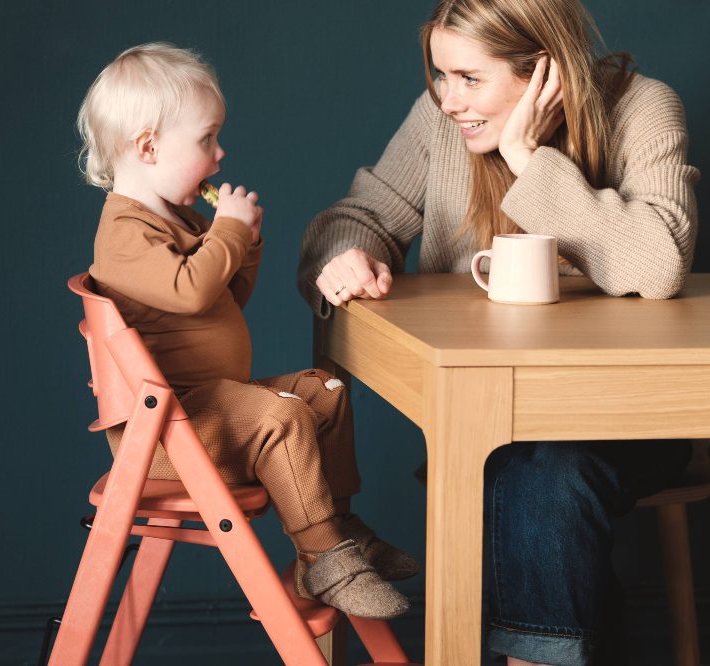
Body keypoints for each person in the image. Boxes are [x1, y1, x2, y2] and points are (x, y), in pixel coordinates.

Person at [297, 0, 698, 663]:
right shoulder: (439, 120)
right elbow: (363, 211)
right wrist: (349, 252)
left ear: (544, 71)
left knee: (542, 471)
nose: (449, 100)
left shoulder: (646, 106)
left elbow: (656, 265)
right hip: (496, 415)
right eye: (440, 76)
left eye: (469, 79)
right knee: (526, 465)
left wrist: (528, 158)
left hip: (632, 414)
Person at [77, 42, 418, 620]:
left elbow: (226, 297)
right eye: (206, 139)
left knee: (323, 391)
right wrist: (228, 233)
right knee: (282, 417)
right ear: (148, 146)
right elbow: (191, 289)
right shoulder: (123, 235)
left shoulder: (178, 220)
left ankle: (338, 533)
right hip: (167, 432)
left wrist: (244, 243)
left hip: (206, 410)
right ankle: (322, 554)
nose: (219, 154)